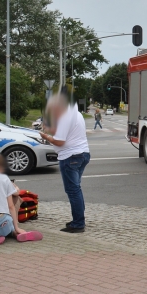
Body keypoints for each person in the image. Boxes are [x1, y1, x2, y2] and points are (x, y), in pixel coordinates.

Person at [39, 92, 90, 233]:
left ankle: (78, 223)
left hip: (70, 157)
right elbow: (66, 133)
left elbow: (60, 141)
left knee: (73, 191)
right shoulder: (75, 113)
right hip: (83, 154)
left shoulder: (65, 117)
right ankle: (79, 218)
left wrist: (46, 136)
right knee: (76, 189)